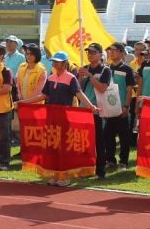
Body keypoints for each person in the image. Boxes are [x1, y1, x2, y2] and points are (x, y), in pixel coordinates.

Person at [19, 50, 98, 186]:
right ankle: (53, 173)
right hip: (51, 117)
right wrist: (24, 102)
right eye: (54, 61)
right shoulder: (51, 78)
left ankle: (64, 175)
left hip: (64, 117)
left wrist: (91, 106)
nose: (55, 64)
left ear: (65, 63)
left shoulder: (71, 78)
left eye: (58, 61)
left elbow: (79, 94)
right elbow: (43, 96)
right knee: (51, 145)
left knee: (63, 147)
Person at [80, 43, 117, 179]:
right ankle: (85, 167)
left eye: (93, 52)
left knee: (99, 141)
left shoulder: (105, 70)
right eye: (88, 52)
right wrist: (80, 76)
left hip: (98, 110)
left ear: (101, 55)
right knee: (84, 140)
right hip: (84, 108)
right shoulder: (84, 68)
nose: (90, 55)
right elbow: (79, 90)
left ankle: (100, 170)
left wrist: (90, 76)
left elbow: (102, 88)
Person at [106, 42, 137, 167]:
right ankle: (110, 160)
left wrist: (126, 106)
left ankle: (123, 161)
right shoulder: (107, 69)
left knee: (124, 137)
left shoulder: (127, 69)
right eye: (109, 50)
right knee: (109, 135)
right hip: (109, 107)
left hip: (122, 107)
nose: (111, 52)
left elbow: (130, 89)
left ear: (121, 52)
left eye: (113, 50)